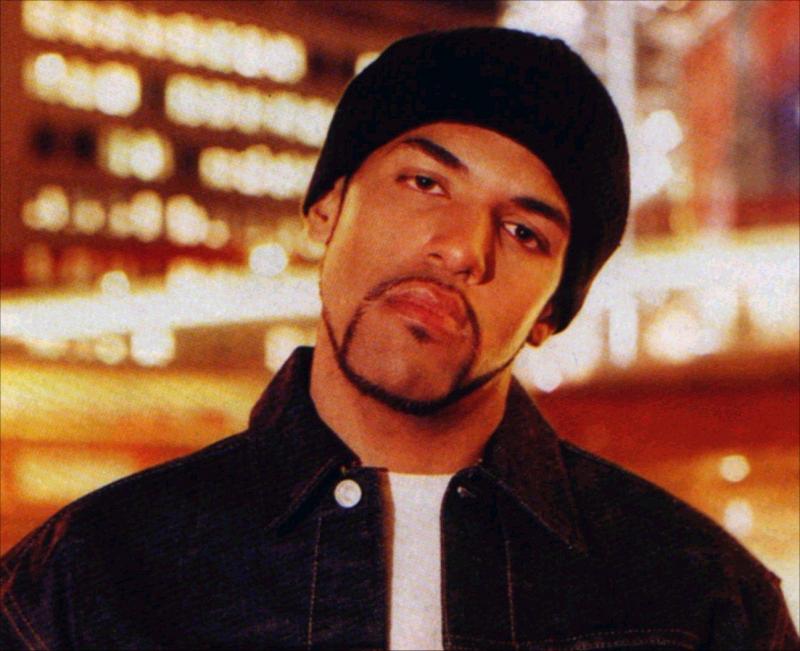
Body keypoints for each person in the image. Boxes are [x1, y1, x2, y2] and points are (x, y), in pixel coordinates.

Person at [1, 27, 797, 651]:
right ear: (327, 207)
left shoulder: (702, 603)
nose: (461, 247)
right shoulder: (85, 579)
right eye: (425, 183)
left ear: (551, 312)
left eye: (523, 231)